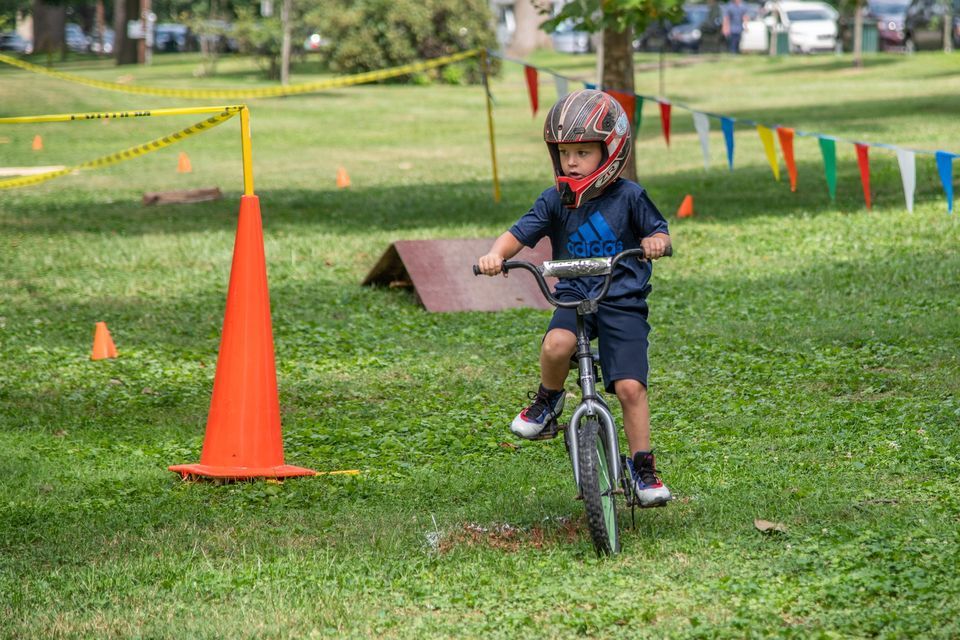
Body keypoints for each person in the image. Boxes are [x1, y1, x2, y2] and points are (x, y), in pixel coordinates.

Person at [476, 90, 672, 508]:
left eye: (583, 152)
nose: (571, 162)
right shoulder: (554, 201)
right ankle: (548, 401)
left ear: (611, 150)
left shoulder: (630, 197)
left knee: (631, 387)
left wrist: (655, 242)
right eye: (564, 152)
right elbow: (517, 234)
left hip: (622, 301)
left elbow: (659, 231)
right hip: (574, 295)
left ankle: (643, 467)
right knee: (556, 345)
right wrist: (496, 254)